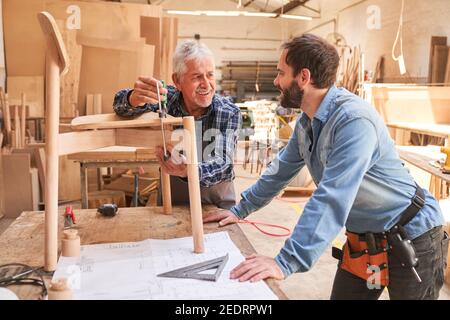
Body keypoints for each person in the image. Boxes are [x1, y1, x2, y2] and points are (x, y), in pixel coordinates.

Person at [204, 34, 449, 300]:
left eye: (280, 73)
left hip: (413, 236)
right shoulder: (307, 122)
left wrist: (285, 262)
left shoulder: (353, 121)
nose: (276, 81)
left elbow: (332, 197)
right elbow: (279, 172)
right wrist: (241, 209)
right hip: (365, 241)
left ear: (304, 77)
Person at [113, 40, 241, 209]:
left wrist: (187, 170)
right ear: (178, 81)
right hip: (171, 204)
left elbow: (224, 165)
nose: (206, 84)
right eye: (196, 77)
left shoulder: (228, 112)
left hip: (217, 207)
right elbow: (120, 107)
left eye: (210, 75)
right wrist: (133, 99)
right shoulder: (166, 101)